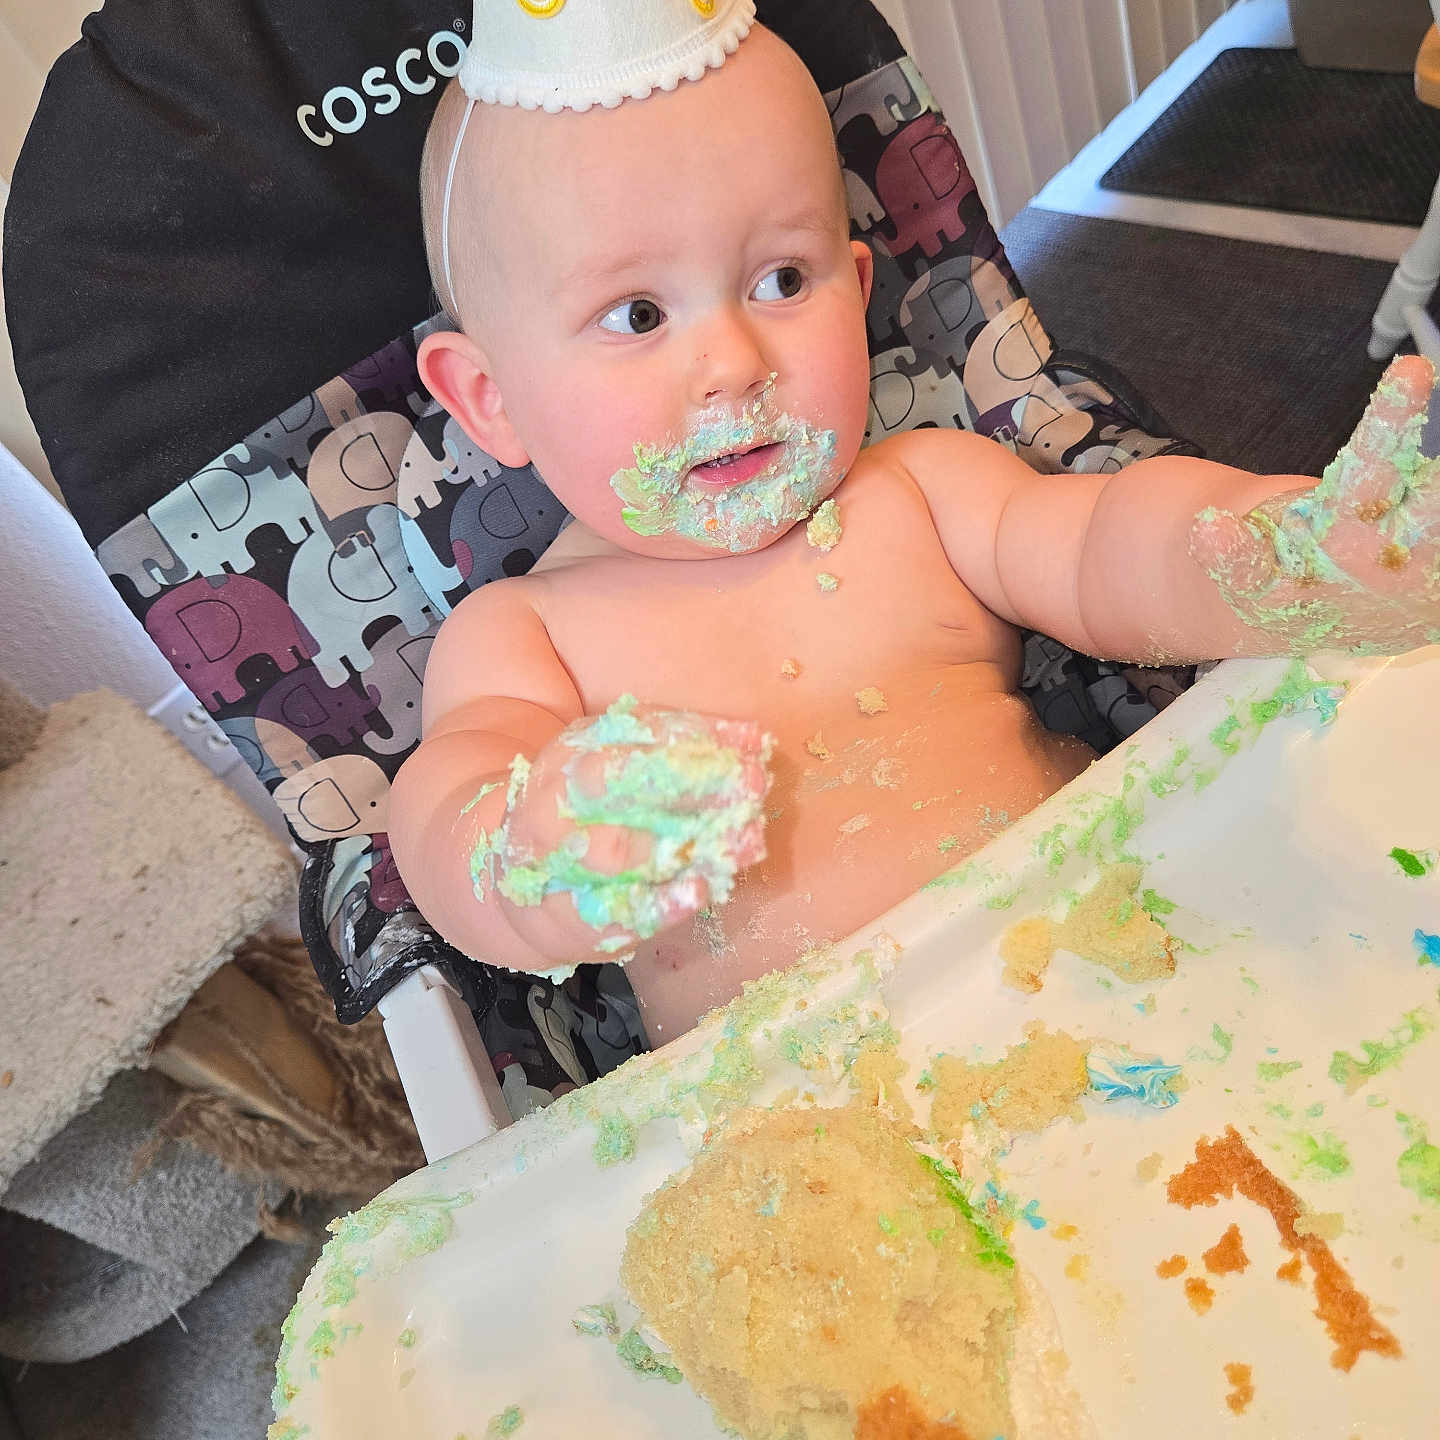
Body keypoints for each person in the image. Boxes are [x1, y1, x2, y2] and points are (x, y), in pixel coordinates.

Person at [388, 14, 1440, 1043]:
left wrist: (1266, 548)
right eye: (640, 316)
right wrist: (534, 855)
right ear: (489, 400)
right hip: (809, 1126)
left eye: (782, 280)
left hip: (1115, 972)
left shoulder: (922, 493)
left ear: (855, 292)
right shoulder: (527, 633)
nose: (735, 362)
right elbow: (444, 816)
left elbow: (1104, 542)